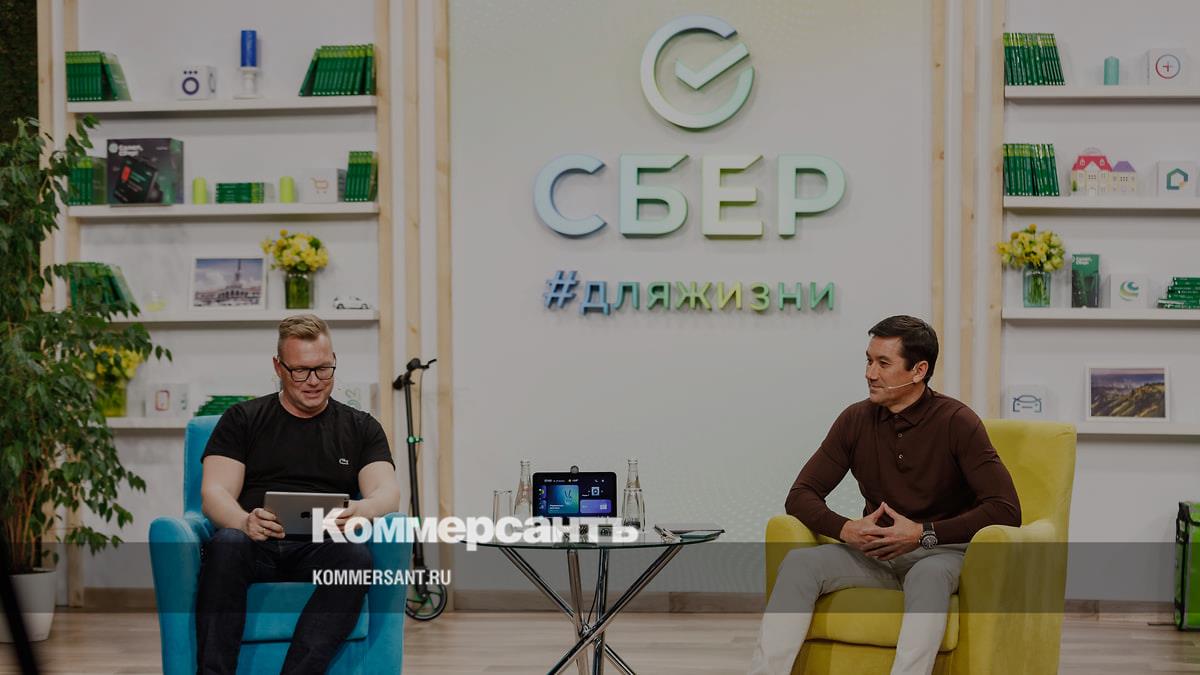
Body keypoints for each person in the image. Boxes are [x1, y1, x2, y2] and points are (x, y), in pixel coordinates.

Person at [749, 315, 1021, 675]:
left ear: (919, 370)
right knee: (800, 564)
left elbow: (1005, 509)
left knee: (928, 575)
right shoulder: (855, 420)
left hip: (941, 552)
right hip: (876, 555)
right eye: (868, 360)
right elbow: (801, 494)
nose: (870, 373)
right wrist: (846, 529)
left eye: (883, 363)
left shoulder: (957, 421)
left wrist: (923, 533)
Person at [195, 314, 401, 674]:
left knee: (355, 558)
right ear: (279, 367)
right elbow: (214, 492)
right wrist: (244, 521)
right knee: (226, 543)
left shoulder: (361, 427)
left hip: (320, 547)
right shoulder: (242, 419)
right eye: (301, 371)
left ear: (334, 360)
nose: (314, 381)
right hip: (254, 543)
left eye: (323, 369)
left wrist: (361, 509)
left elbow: (388, 493)